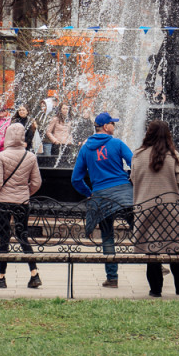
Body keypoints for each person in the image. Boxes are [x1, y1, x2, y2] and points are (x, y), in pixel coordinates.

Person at [132, 119, 179, 297]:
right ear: (168, 134)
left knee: (151, 249)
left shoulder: (138, 154)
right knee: (173, 248)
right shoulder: (172, 154)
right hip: (169, 207)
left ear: (148, 134)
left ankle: (155, 289)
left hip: (145, 206)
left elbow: (133, 178)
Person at [71, 112, 134, 288]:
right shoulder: (117, 143)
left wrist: (89, 193)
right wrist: (129, 179)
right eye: (113, 124)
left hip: (102, 197)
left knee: (107, 236)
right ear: (106, 127)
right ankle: (156, 266)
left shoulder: (85, 149)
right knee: (139, 227)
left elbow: (76, 179)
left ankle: (112, 278)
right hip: (124, 193)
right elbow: (135, 164)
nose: (115, 127)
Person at [0, 123, 43, 289]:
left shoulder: (2, 156)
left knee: (4, 238)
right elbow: (36, 182)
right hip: (22, 202)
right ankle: (34, 274)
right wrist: (25, 193)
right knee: (22, 236)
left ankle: (1, 277)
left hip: (3, 202)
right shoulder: (30, 157)